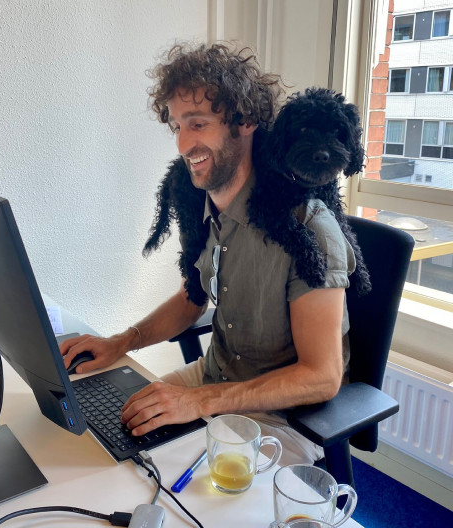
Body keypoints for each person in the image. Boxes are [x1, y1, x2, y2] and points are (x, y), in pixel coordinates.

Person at [60, 42, 356, 465]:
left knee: (165, 489)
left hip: (281, 419)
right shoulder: (207, 208)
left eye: (197, 124)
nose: (183, 143)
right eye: (177, 126)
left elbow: (323, 377)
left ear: (246, 120)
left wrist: (200, 402)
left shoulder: (308, 229)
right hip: (214, 379)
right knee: (104, 444)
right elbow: (190, 299)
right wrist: (121, 342)